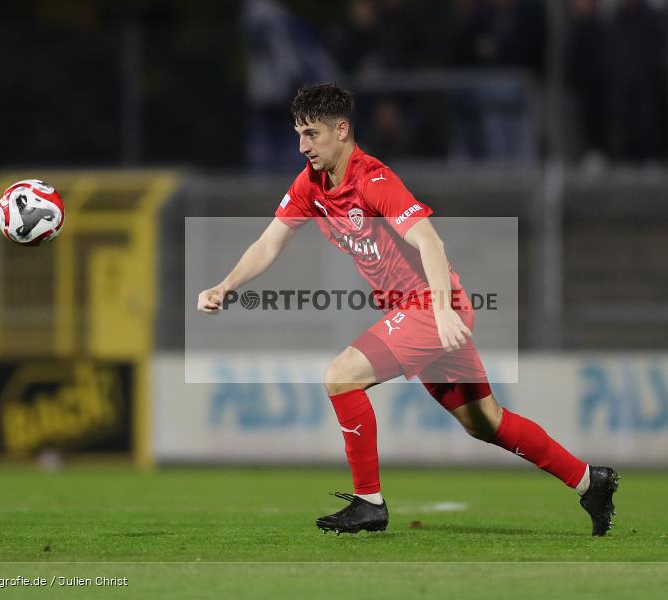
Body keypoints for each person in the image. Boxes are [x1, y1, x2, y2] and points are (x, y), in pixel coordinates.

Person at [197, 84, 619, 536]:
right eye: (298, 134)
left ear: (342, 130)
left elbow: (429, 241)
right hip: (421, 313)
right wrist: (225, 285)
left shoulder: (373, 180)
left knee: (341, 377)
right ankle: (589, 481)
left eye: (312, 134)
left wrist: (440, 311)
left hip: (430, 307)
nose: (302, 146)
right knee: (485, 423)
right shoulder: (310, 185)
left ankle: (369, 503)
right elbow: (269, 242)